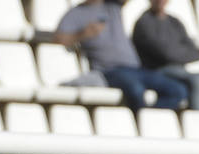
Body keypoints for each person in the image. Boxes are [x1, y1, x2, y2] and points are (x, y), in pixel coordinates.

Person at [53, 1, 188, 113]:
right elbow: (59, 39)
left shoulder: (113, 6)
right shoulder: (75, 13)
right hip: (109, 70)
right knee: (136, 90)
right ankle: (142, 120)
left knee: (178, 90)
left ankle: (147, 117)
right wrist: (83, 33)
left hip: (136, 69)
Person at [132, 0, 199, 112]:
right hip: (160, 70)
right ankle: (196, 123)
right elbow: (164, 54)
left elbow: (194, 52)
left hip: (185, 70)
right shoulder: (143, 23)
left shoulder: (174, 22)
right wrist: (179, 52)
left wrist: (174, 53)